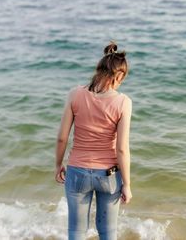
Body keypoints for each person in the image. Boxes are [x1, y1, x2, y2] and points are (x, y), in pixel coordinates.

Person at [54, 41, 133, 240]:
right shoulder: (123, 102)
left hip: (77, 172)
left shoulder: (74, 94)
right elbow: (122, 149)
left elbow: (62, 137)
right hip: (108, 176)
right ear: (118, 76)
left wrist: (58, 165)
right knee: (108, 233)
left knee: (76, 231)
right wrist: (127, 184)